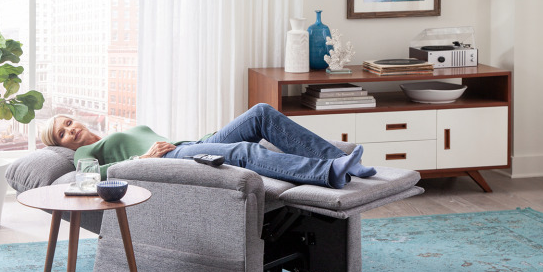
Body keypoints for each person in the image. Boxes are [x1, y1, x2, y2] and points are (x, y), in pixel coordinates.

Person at [40, 103, 376, 188]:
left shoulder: (111, 132)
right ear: (62, 145)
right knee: (243, 153)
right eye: (62, 134)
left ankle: (344, 160)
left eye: (68, 122)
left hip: (190, 145)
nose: (71, 130)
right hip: (173, 158)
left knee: (261, 114)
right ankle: (328, 173)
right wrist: (141, 157)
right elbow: (91, 176)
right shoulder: (84, 153)